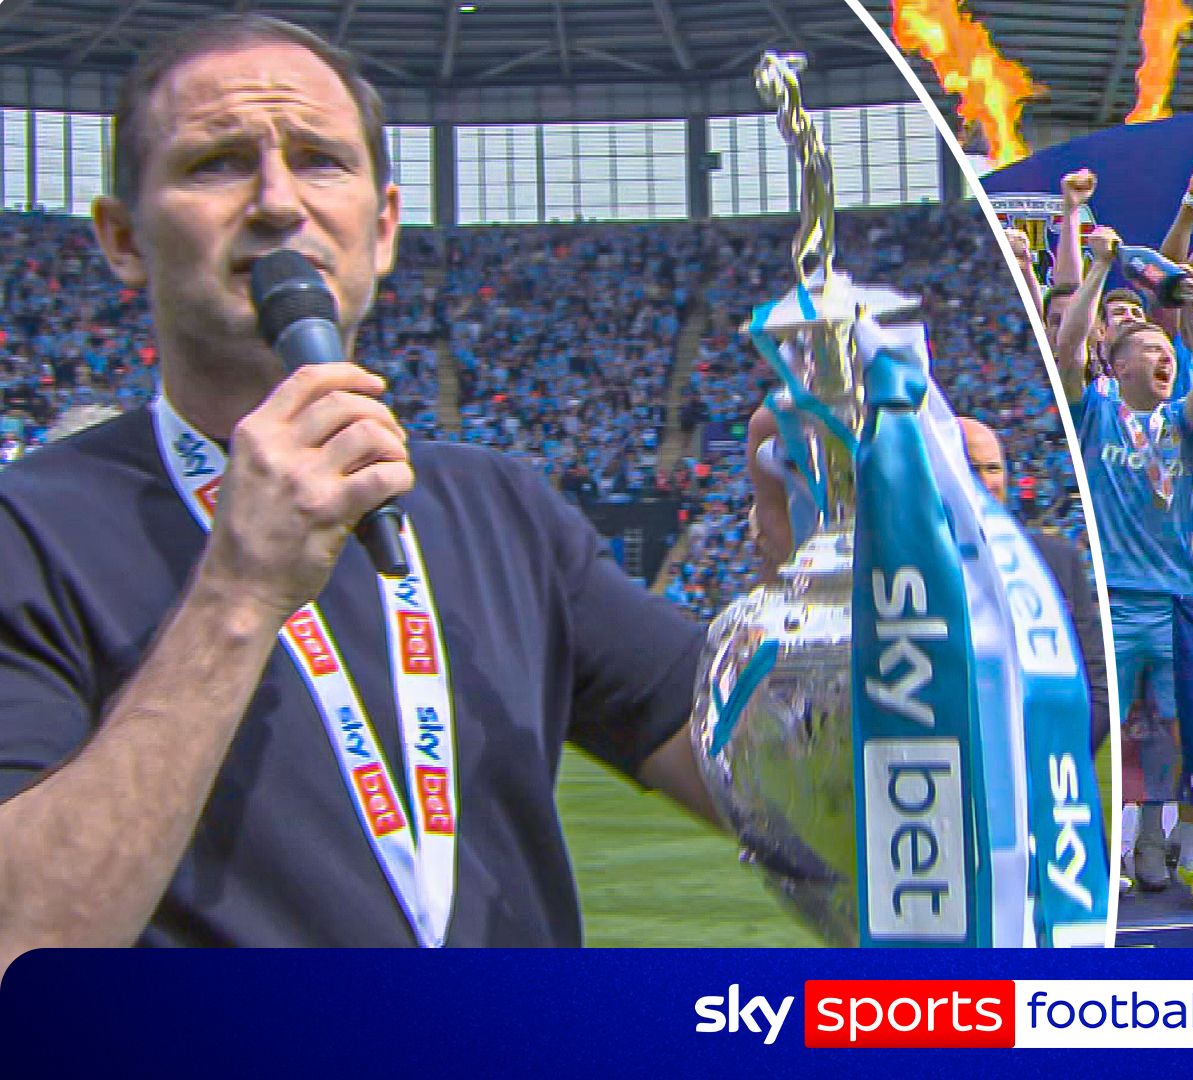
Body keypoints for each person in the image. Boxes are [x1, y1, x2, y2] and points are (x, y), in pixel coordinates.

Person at [0, 16, 716, 958]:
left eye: (320, 160)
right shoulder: (28, 527)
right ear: (123, 238)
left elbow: (773, 794)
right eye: (215, 163)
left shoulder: (502, 506)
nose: (275, 201)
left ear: (382, 230)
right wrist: (240, 591)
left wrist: (829, 590)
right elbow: (28, 940)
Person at [1056, 226, 1193, 907]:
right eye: (1148, 351)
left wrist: (1186, 311)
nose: (1163, 359)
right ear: (1117, 366)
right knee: (1100, 730)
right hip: (1112, 601)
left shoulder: (1184, 421)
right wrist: (1098, 268)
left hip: (1176, 598)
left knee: (1170, 729)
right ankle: (1100, 848)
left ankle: (1152, 840)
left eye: (1167, 354)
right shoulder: (1093, 412)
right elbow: (1066, 348)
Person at [958, 417, 1109, 751]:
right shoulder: (915, 569)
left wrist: (1054, 755)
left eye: (993, 468)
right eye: (970, 467)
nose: (984, 481)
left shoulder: (1056, 561)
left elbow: (1098, 687)